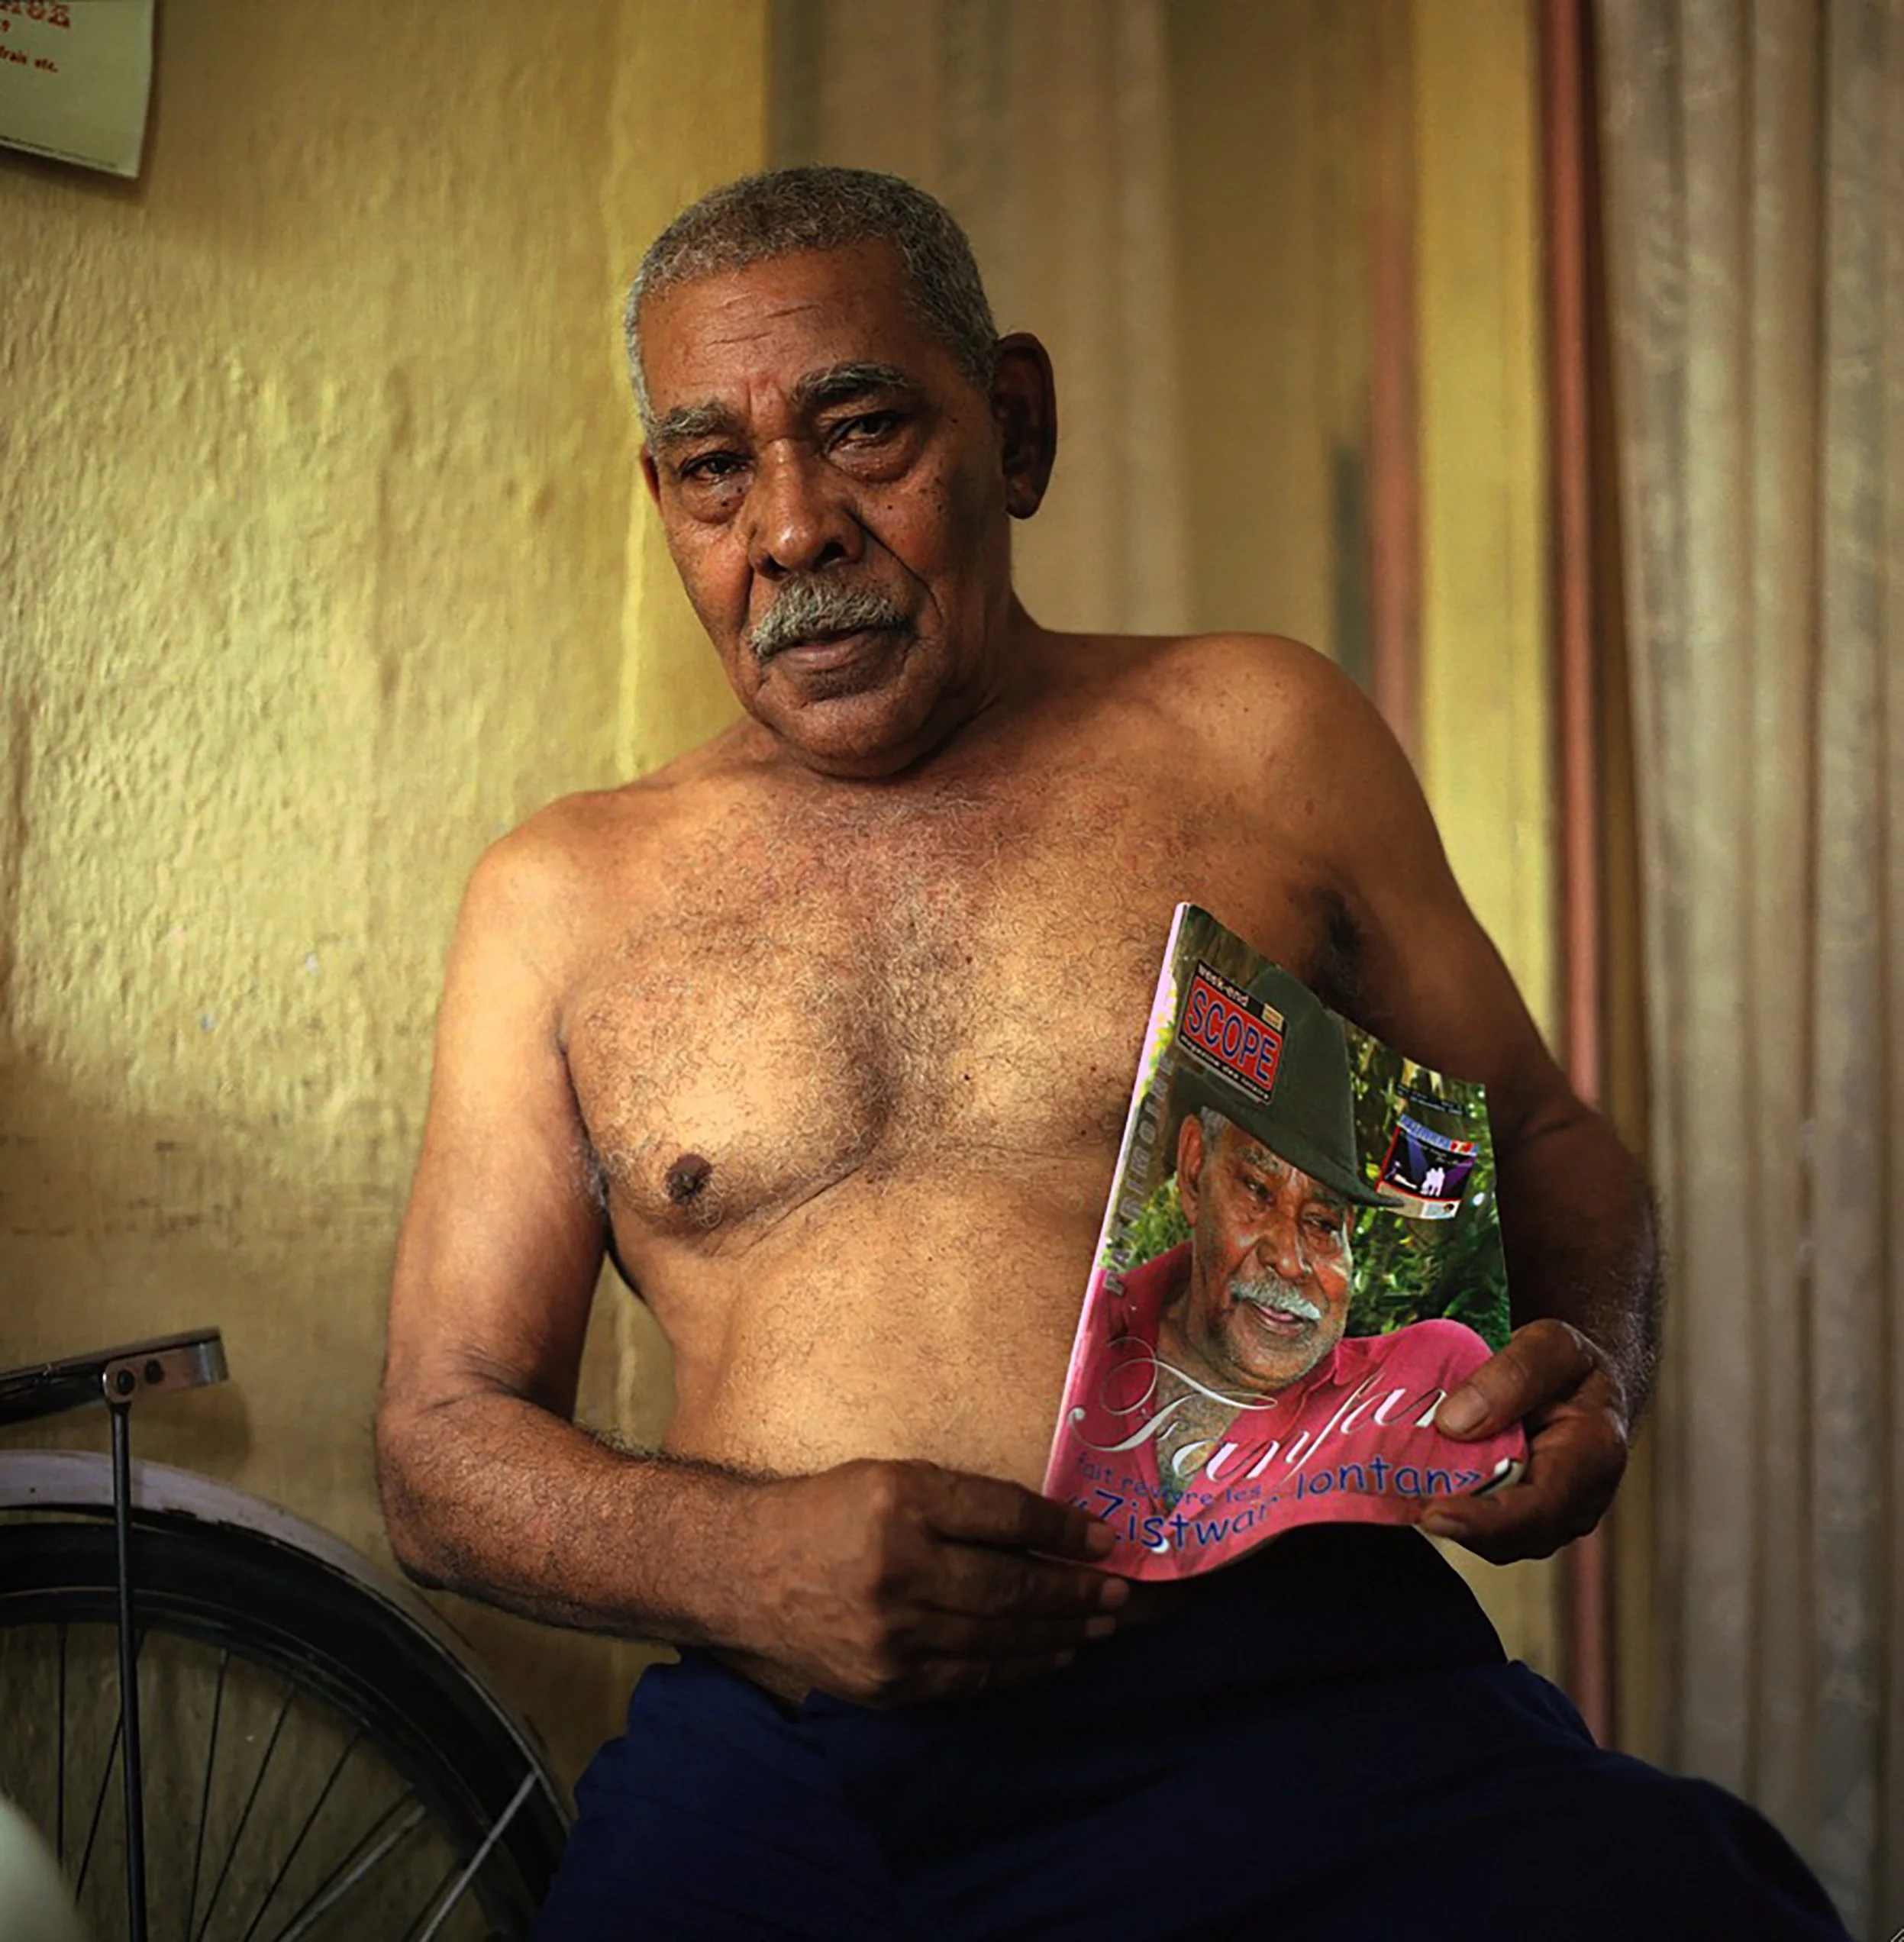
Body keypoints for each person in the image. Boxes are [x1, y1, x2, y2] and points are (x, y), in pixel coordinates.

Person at [376, 166, 1848, 1937]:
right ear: (667, 502)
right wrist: (748, 1563)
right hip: (797, 1765)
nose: (789, 530)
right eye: (713, 469)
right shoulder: (560, 895)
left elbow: (1532, 1136)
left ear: (1013, 425)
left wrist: (1594, 1378)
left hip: (1304, 1704)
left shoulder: (1253, 737)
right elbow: (440, 1447)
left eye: (860, 431)